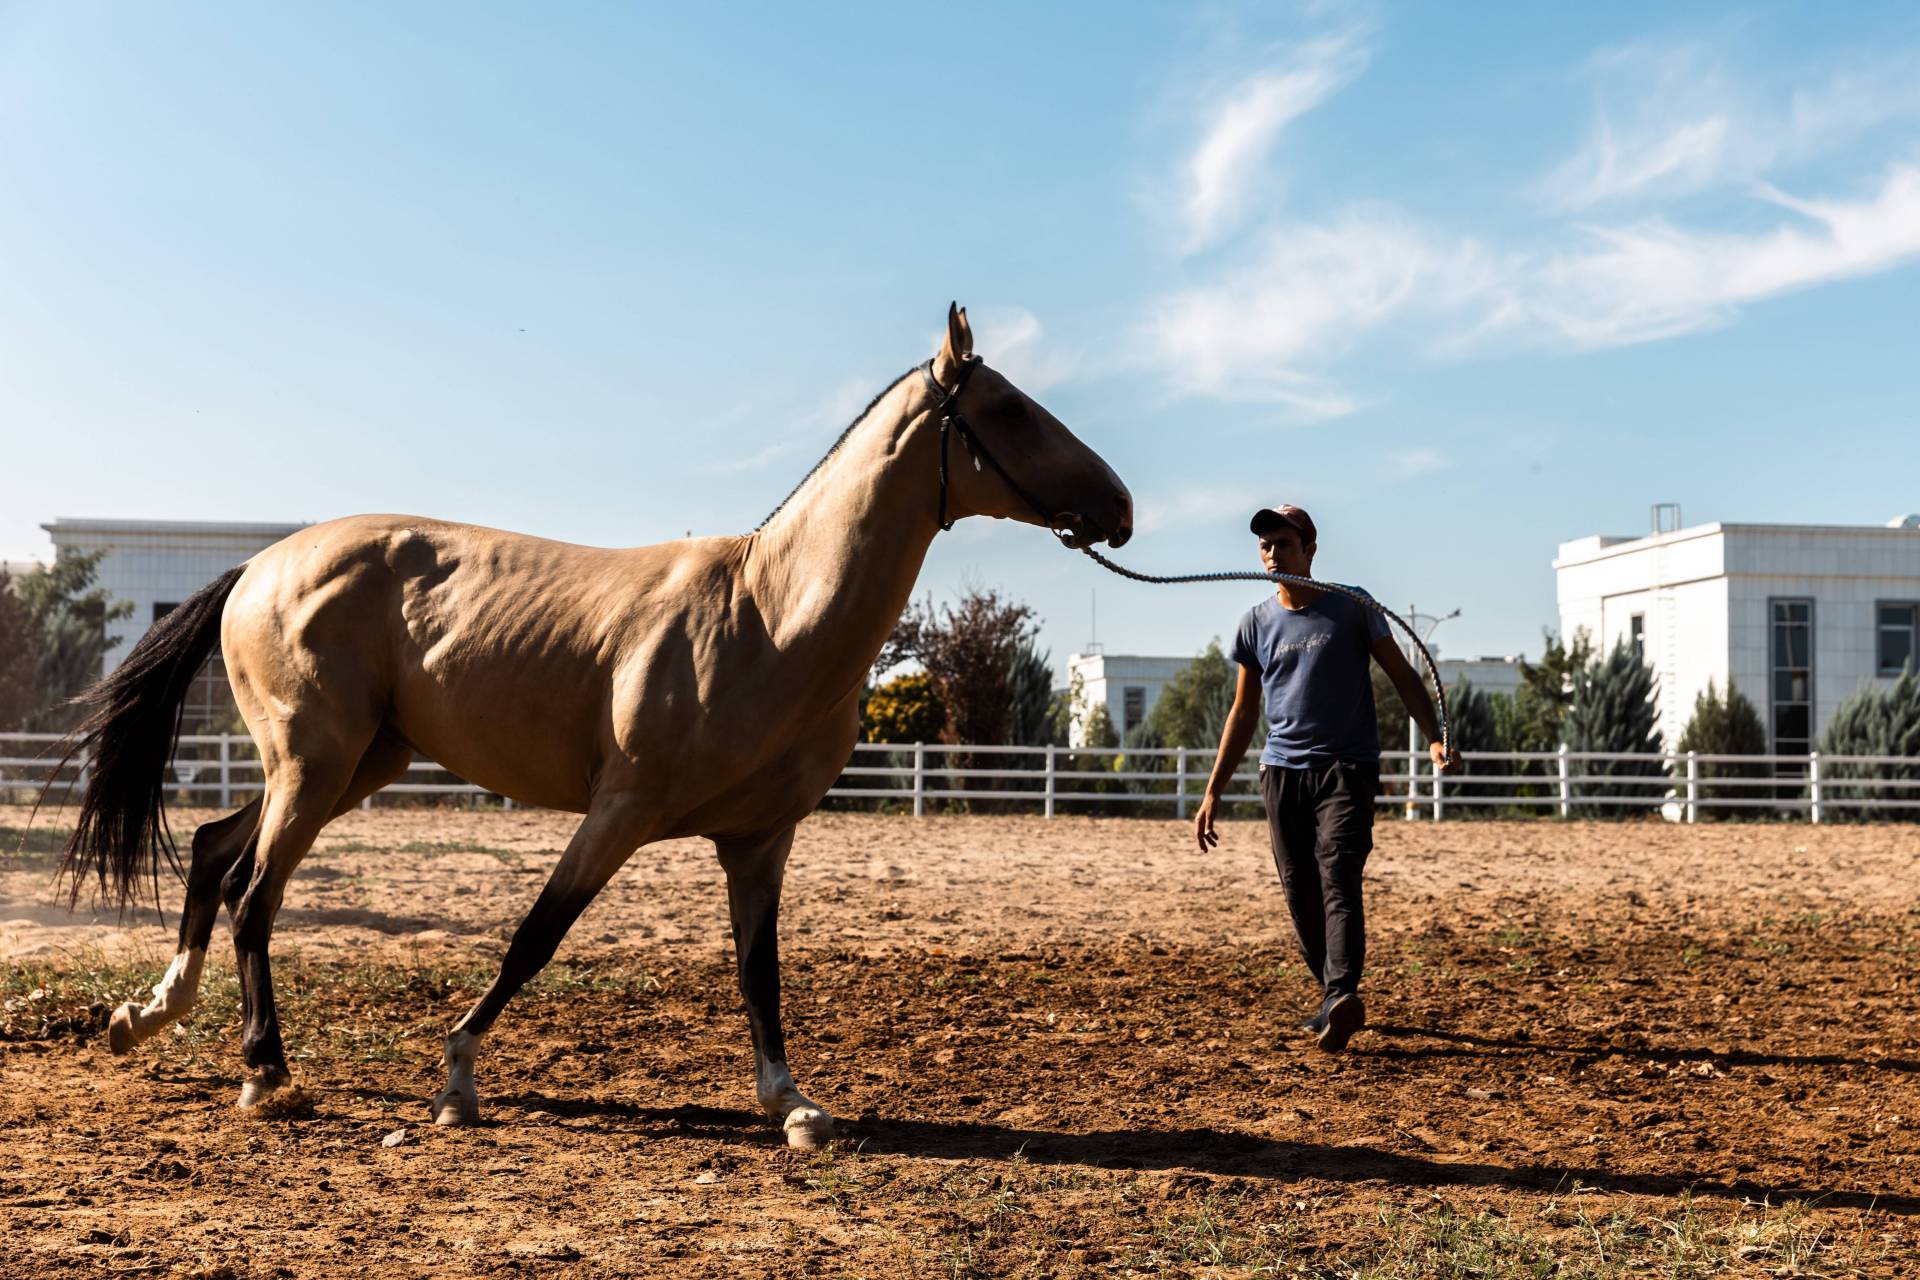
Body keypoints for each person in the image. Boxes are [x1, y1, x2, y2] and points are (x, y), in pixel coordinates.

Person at [1193, 504, 1459, 1052]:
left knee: (1338, 875)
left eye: (1284, 543)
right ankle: (1334, 999)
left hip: (1347, 767)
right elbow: (1243, 713)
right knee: (1300, 892)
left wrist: (1434, 735)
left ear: (1309, 550)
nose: (1272, 553)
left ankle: (1341, 993)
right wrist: (1213, 789)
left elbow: (1404, 676)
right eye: (1265, 545)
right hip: (1282, 770)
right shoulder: (1255, 623)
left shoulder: (1352, 605)